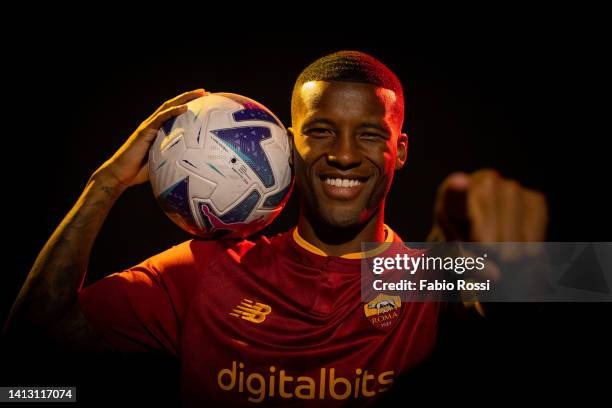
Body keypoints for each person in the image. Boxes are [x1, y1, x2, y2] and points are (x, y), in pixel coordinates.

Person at [4, 51, 547, 406]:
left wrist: (494, 258)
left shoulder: (424, 276)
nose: (342, 155)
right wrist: (106, 182)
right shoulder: (208, 269)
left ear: (398, 151)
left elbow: (578, 283)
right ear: (290, 143)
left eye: (369, 135)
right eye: (322, 132)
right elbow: (29, 359)